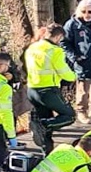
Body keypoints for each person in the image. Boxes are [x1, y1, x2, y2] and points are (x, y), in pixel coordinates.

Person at [25, 23, 76, 154]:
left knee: (45, 124)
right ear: (58, 36)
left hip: (32, 89)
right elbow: (64, 71)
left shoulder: (32, 47)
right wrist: (74, 77)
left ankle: (46, 152)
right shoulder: (55, 51)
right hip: (47, 90)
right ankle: (42, 124)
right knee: (69, 116)